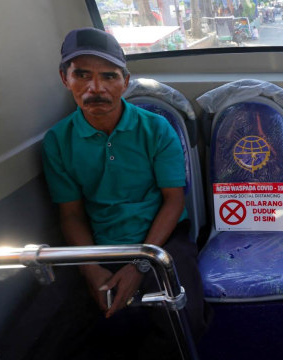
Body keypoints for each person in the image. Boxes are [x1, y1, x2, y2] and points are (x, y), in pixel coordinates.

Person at [41, 27, 211, 358]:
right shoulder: (57, 141)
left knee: (182, 317)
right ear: (65, 78)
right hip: (99, 242)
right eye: (82, 75)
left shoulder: (156, 129)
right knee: (59, 327)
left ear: (125, 81)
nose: (96, 88)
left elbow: (173, 201)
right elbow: (71, 214)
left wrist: (139, 266)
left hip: (162, 237)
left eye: (108, 76)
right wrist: (91, 270)